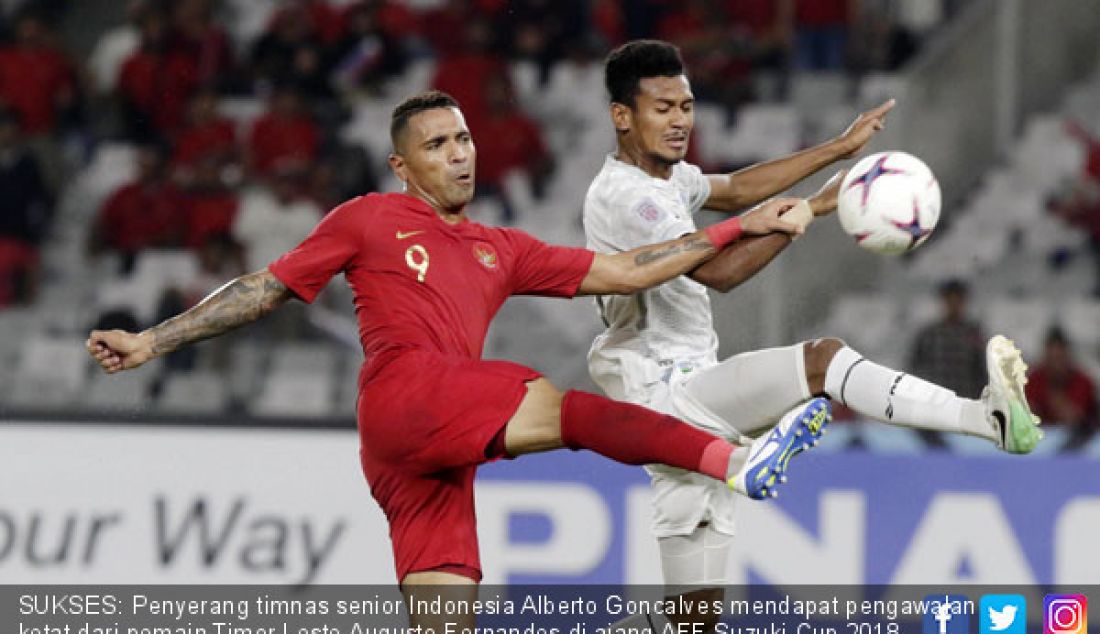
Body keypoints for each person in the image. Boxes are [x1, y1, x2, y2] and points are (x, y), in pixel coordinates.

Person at [87, 90, 827, 629]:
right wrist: (153, 340)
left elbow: (630, 270)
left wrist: (738, 228)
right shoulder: (369, 217)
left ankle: (729, 462)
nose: (459, 154)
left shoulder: (501, 249)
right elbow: (264, 289)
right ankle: (731, 463)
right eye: (437, 145)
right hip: (406, 388)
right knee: (571, 410)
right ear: (401, 164)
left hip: (422, 452)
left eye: (464, 139)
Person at [583, 40, 1043, 631]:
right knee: (823, 362)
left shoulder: (663, 179)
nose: (679, 121)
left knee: (690, 621)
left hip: (687, 389)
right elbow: (719, 272)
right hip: (663, 394)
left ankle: (988, 421)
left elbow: (738, 190)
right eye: (662, 108)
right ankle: (987, 420)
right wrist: (795, 223)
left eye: (687, 106)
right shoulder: (627, 198)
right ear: (623, 115)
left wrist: (837, 156)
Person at [909, 279, 987, 399]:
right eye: (950, 300)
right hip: (935, 399)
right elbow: (915, 368)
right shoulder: (929, 334)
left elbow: (981, 372)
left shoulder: (973, 333)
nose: (954, 305)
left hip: (965, 400)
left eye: (958, 300)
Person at [1025, 327, 1098, 430]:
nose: (1056, 365)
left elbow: (1074, 419)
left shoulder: (1083, 382)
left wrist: (1055, 394)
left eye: (1059, 358)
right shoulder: (1034, 379)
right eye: (1052, 358)